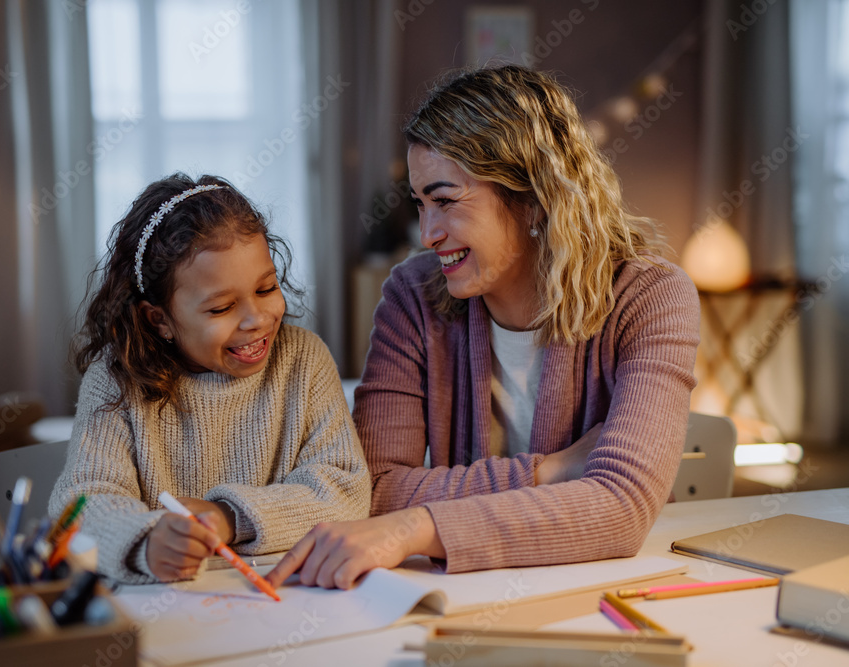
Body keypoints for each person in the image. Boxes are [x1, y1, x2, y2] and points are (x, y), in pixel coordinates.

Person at [265, 65, 700, 591]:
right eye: (421, 204)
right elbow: (374, 489)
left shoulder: (651, 296)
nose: (427, 234)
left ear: (534, 198)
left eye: (446, 201)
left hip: (605, 586)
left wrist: (419, 524)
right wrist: (551, 471)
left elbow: (620, 506)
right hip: (471, 589)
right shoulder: (412, 296)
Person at [50, 174, 371, 584]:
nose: (257, 319)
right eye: (221, 309)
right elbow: (82, 504)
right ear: (160, 319)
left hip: (287, 601)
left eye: (267, 287)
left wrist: (227, 517)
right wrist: (146, 543)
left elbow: (346, 490)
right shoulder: (117, 380)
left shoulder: (304, 360)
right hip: (168, 613)